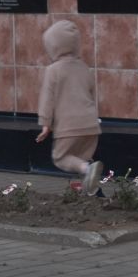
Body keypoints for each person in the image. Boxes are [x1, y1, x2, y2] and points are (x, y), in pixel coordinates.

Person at [35, 19, 103, 195]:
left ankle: (88, 170)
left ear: (54, 47)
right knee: (81, 156)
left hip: (69, 126)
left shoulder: (53, 70)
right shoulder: (84, 68)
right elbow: (92, 94)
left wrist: (45, 124)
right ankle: (87, 188)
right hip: (91, 124)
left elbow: (47, 99)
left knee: (61, 158)